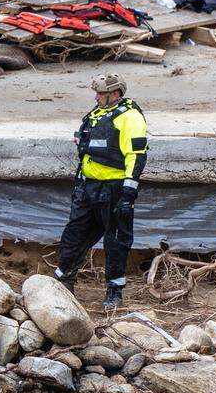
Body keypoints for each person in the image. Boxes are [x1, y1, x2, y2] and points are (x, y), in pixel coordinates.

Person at [53, 72, 148, 309]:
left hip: (114, 190)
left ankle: (114, 291)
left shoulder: (130, 118)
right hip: (88, 188)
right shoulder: (95, 114)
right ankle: (64, 280)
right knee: (74, 234)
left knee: (115, 241)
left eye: (101, 93)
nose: (96, 97)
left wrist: (128, 193)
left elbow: (136, 156)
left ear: (114, 94)